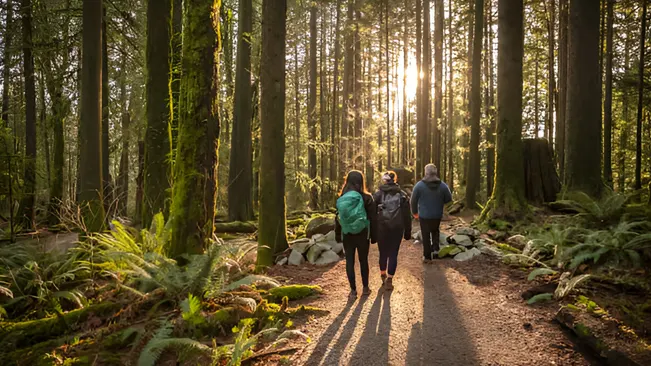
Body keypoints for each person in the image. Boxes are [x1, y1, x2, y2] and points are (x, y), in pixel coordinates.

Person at [335, 170, 377, 297]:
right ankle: (365, 288)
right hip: (363, 234)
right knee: (363, 260)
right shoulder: (367, 198)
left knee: (350, 261)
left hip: (347, 234)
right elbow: (373, 218)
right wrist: (374, 236)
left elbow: (337, 218)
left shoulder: (342, 199)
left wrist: (337, 235)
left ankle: (353, 291)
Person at [373, 171, 411, 291]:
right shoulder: (402, 195)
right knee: (393, 253)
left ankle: (383, 275)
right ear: (395, 180)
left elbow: (372, 215)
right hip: (397, 227)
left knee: (383, 252)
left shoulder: (378, 195)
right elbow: (406, 215)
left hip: (381, 228)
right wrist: (407, 232)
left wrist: (373, 233)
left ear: (384, 180)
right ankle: (390, 279)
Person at [410, 164, 452, 262]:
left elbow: (413, 201)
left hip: (424, 215)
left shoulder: (419, 185)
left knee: (425, 235)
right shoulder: (443, 185)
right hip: (437, 214)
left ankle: (427, 256)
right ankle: (436, 251)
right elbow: (448, 199)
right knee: (435, 231)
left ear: (426, 172)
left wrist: (415, 213)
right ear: (435, 172)